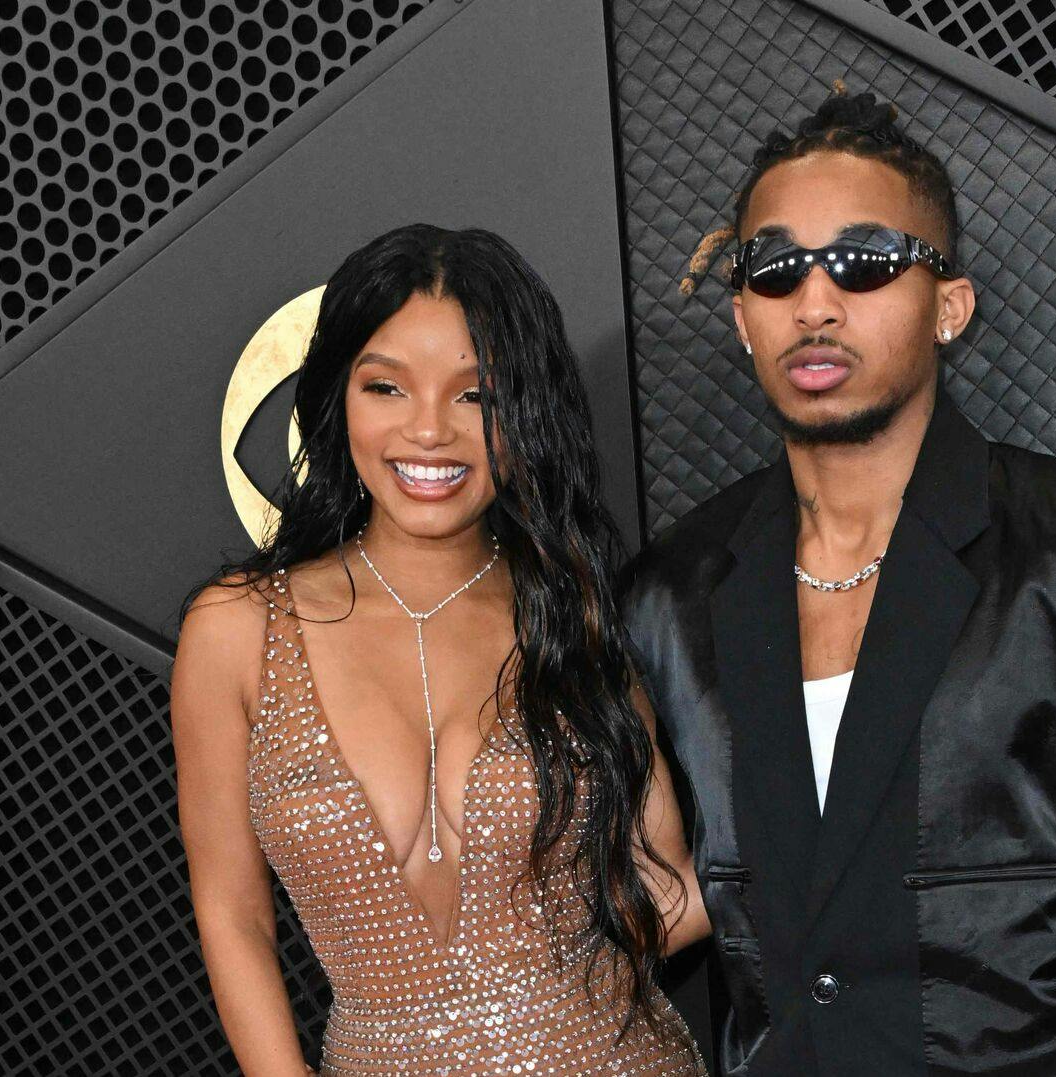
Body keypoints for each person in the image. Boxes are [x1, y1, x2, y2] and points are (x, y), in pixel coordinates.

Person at [621, 87, 1056, 1075]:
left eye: (863, 262)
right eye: (775, 269)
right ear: (740, 320)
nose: (814, 301)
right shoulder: (670, 597)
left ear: (950, 306)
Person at [172, 224, 707, 1076]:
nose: (429, 431)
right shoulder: (238, 627)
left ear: (524, 416)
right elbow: (231, 910)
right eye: (386, 386)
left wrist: (540, 995)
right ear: (336, 396)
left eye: (477, 397)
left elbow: (666, 884)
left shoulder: (569, 611)